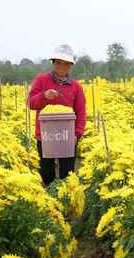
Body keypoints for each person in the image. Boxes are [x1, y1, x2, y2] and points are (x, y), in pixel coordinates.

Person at [28, 45, 87, 186]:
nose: (62, 66)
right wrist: (44, 96)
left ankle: (66, 201)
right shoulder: (42, 80)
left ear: (71, 65)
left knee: (67, 173)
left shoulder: (76, 87)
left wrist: (76, 134)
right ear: (53, 63)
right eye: (59, 62)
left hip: (68, 136)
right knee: (46, 172)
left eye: (66, 63)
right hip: (45, 135)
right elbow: (30, 103)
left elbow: (81, 112)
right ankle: (48, 202)